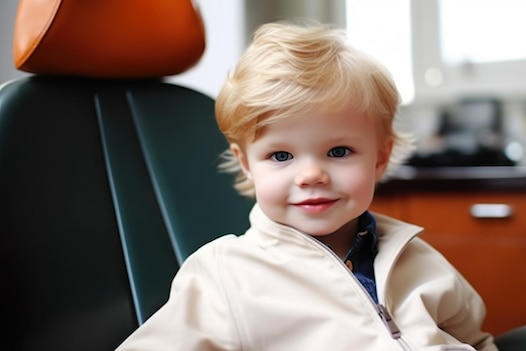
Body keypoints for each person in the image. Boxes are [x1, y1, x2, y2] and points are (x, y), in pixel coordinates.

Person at [115, 21, 498, 351]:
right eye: (281, 156)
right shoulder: (223, 278)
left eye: (339, 150)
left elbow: (479, 341)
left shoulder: (417, 258)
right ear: (247, 163)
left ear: (380, 157)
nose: (311, 175)